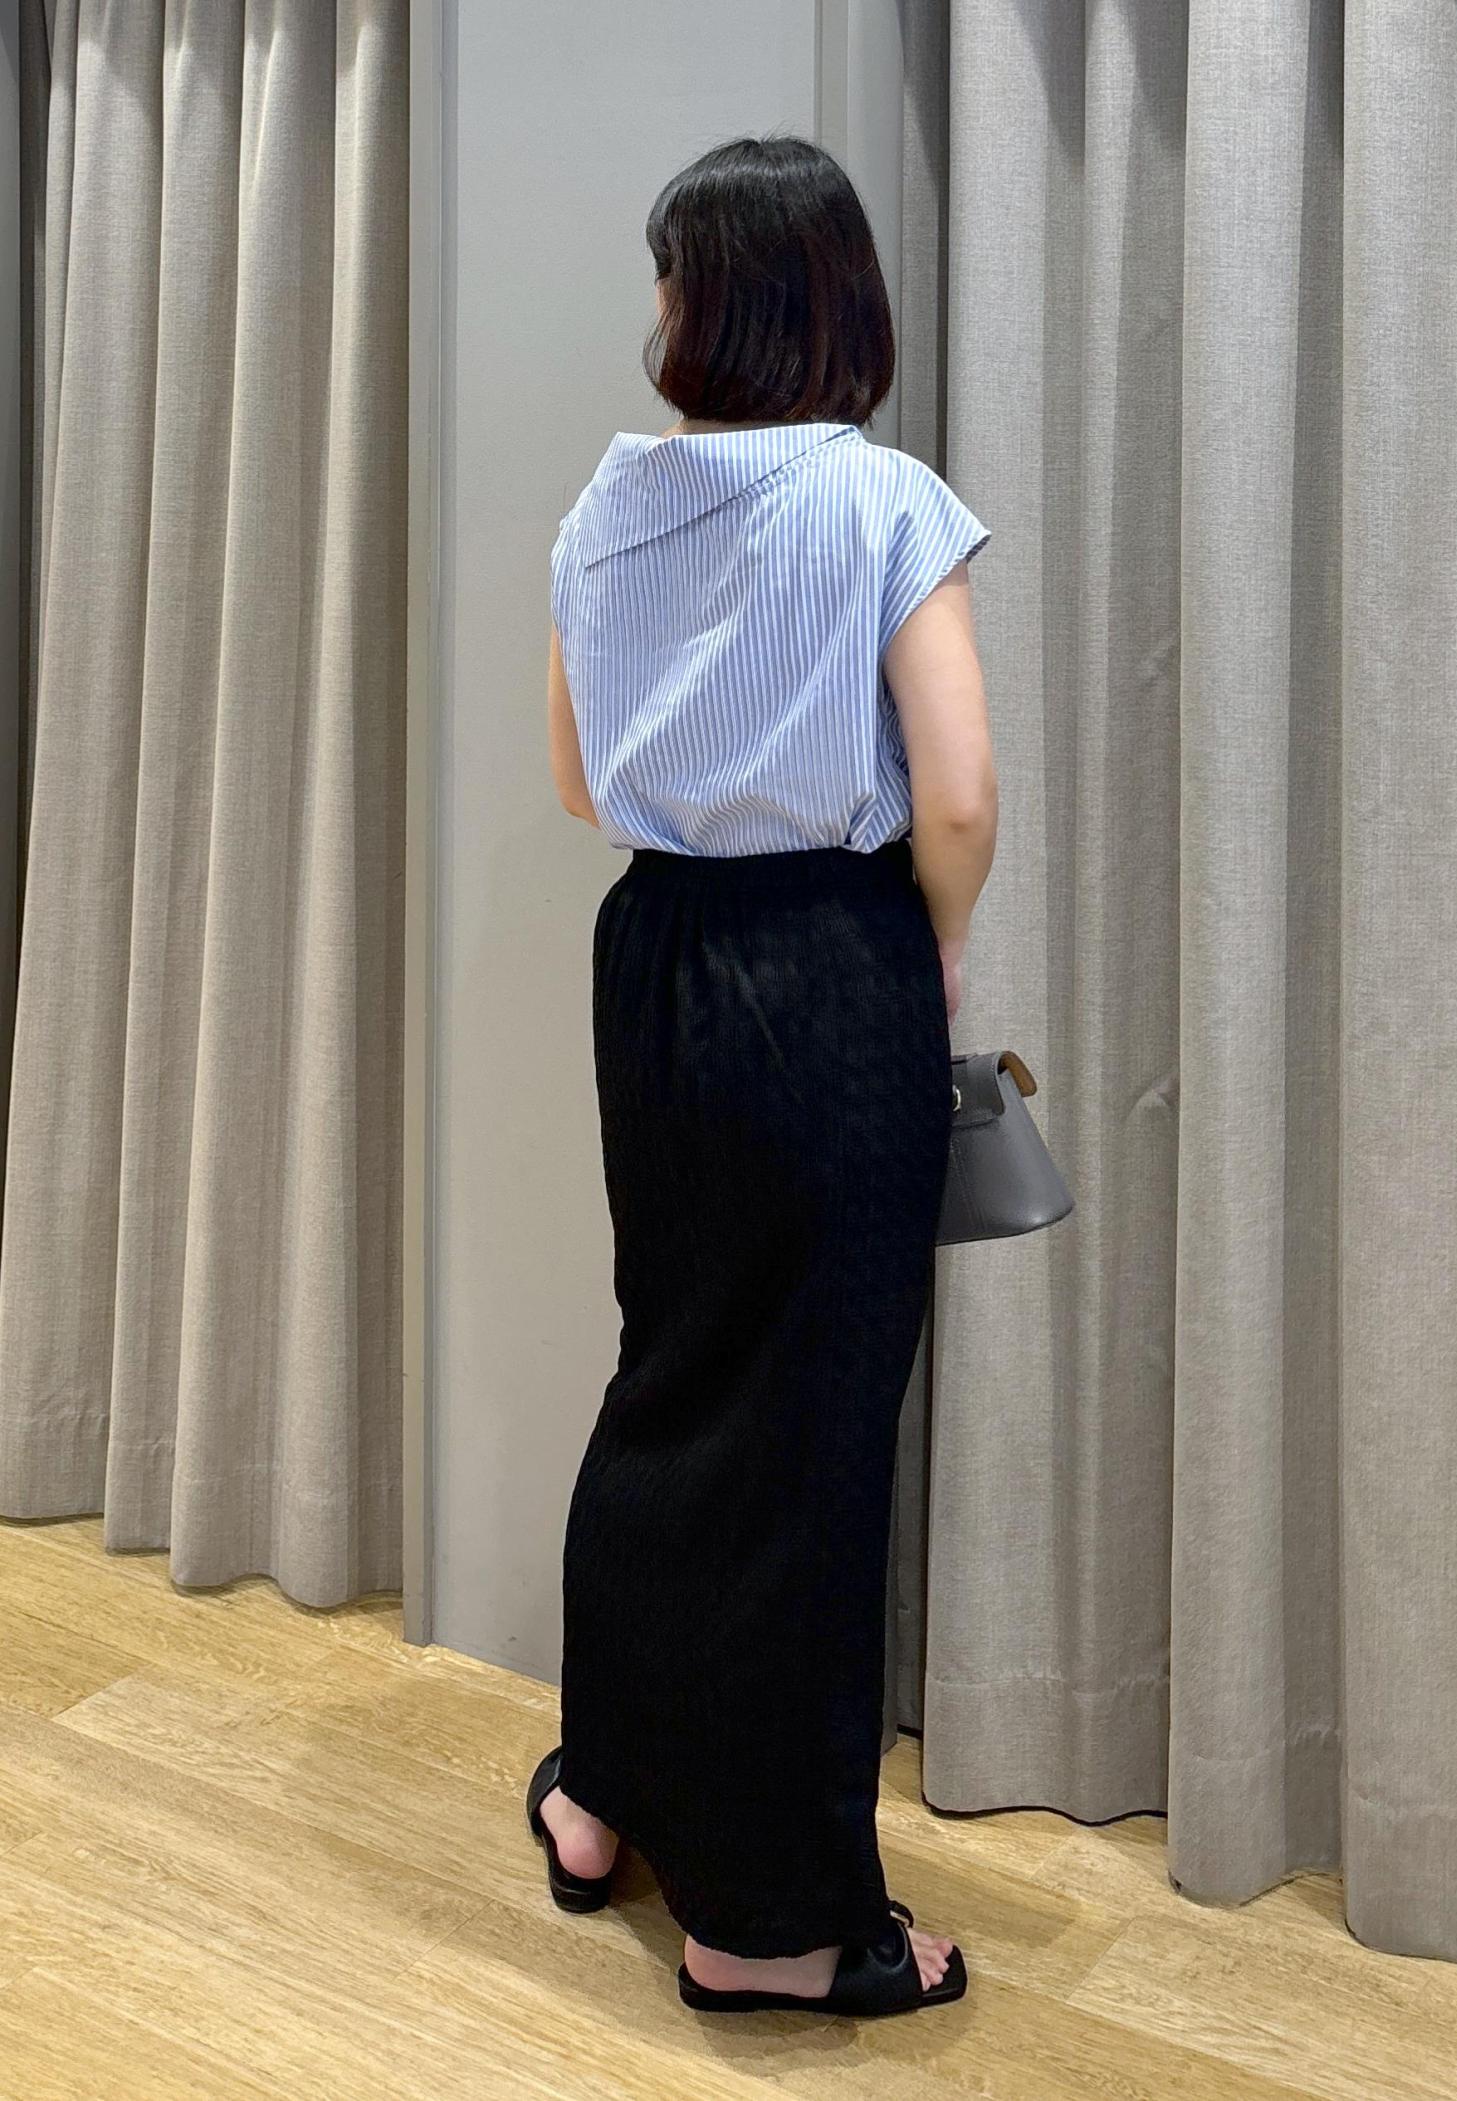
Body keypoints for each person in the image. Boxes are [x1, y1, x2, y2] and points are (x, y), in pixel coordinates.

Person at [530, 132, 996, 2020]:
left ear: (707, 308)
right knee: (809, 1433)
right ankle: (773, 1924)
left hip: (656, 956)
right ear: (839, 301)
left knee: (673, 1369)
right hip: (831, 964)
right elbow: (956, 795)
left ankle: (602, 1794)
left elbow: (577, 779)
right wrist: (928, 951)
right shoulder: (882, 499)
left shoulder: (603, 508)